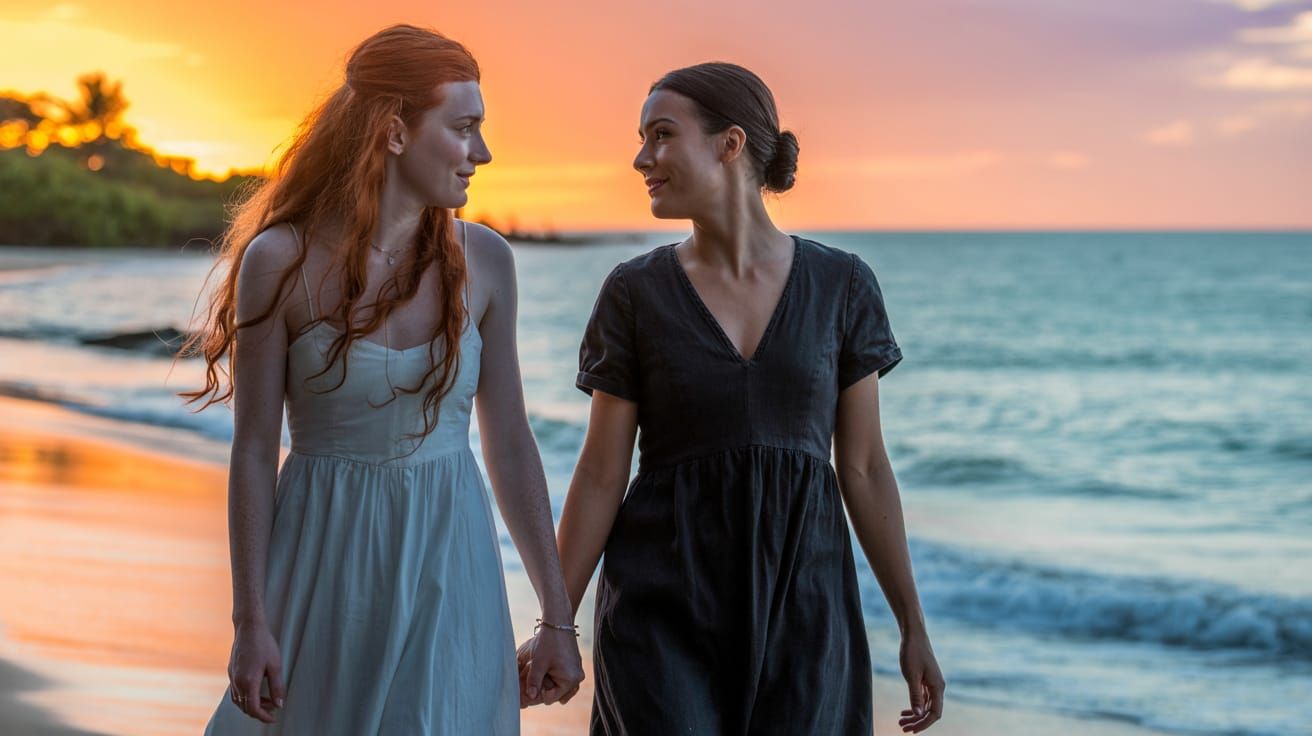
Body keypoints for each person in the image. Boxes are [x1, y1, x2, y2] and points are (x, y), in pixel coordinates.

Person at [518, 62, 944, 734]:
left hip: (805, 605)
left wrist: (912, 626)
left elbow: (862, 468)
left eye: (661, 135)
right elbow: (601, 473)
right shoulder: (634, 293)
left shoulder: (843, 287)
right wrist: (556, 624)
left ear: (731, 144)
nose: (641, 158)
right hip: (661, 608)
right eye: (641, 138)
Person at [182, 24, 582, 734]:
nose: (482, 152)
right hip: (323, 557)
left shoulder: (487, 261)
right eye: (463, 128)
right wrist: (251, 621)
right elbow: (252, 449)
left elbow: (513, 441)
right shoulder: (280, 262)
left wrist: (557, 615)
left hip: (451, 556)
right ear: (395, 132)